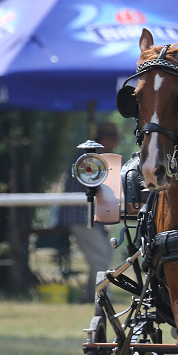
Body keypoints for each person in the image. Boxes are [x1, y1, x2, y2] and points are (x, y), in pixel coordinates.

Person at [56, 121, 116, 303]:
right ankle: (105, 297)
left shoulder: (92, 156)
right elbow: (98, 187)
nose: (114, 144)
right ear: (104, 139)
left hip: (89, 215)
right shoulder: (91, 158)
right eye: (112, 139)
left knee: (105, 254)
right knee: (99, 257)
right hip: (79, 215)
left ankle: (88, 296)